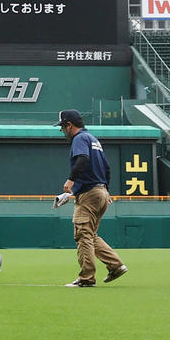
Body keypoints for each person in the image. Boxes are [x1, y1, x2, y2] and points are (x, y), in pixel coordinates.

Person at [56, 109, 128, 288]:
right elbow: (107, 167)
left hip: (89, 193)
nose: (62, 131)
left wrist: (71, 180)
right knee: (90, 235)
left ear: (69, 125)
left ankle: (86, 278)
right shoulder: (93, 139)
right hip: (101, 191)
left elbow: (82, 159)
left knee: (83, 235)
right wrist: (106, 190)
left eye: (62, 127)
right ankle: (116, 265)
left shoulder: (79, 139)